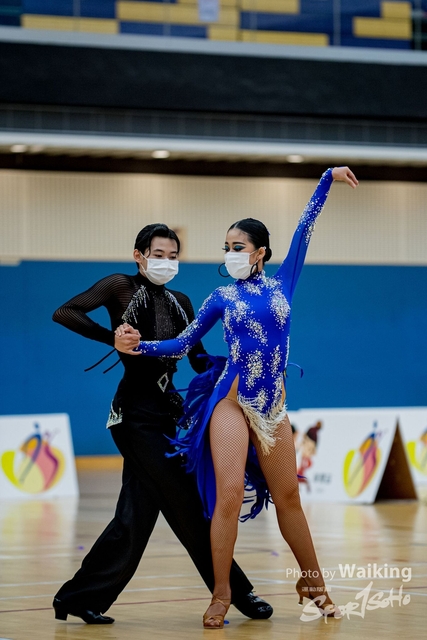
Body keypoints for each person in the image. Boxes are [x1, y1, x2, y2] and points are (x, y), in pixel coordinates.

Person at [115, 167, 359, 628]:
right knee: (228, 495)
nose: (230, 254)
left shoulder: (285, 283)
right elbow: (183, 343)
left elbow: (306, 227)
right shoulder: (221, 296)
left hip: (272, 409)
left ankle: (316, 586)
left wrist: (326, 180)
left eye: (238, 247)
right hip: (230, 403)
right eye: (226, 247)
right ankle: (221, 594)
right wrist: (140, 346)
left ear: (260, 252)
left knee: (289, 497)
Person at [51, 224, 273, 625]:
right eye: (158, 255)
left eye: (173, 256)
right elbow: (64, 312)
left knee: (134, 517)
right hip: (134, 417)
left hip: (168, 417)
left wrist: (241, 362)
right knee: (188, 505)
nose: (166, 263)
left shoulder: (181, 301)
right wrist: (111, 338)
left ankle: (78, 597)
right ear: (139, 256)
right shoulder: (120, 286)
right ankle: (237, 593)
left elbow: (196, 358)